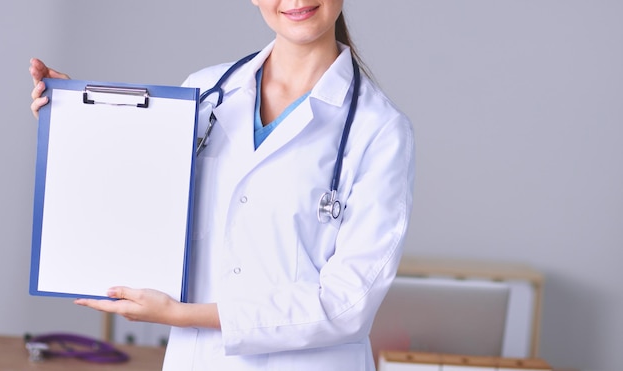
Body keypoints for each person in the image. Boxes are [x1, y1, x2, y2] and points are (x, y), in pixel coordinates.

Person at [29, 1, 415, 370]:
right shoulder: (203, 92)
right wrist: (76, 120)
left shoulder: (378, 130)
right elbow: (139, 194)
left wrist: (182, 315)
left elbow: (346, 305)